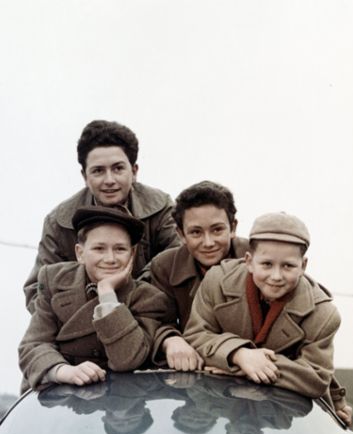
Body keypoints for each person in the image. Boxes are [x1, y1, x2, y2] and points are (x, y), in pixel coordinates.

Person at [183, 211, 351, 421]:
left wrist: (243, 366)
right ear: (249, 261)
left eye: (288, 266)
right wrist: (239, 354)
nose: (276, 276)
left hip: (285, 418)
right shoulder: (217, 281)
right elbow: (195, 335)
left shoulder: (323, 314)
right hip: (219, 405)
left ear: (303, 266)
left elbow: (315, 378)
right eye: (267, 264)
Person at [23, 120, 181, 312]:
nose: (109, 180)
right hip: (79, 323)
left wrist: (130, 304)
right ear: (84, 176)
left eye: (118, 168)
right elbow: (36, 291)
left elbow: (177, 267)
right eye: (98, 171)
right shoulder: (59, 221)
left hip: (145, 316)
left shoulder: (161, 207)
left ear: (134, 171)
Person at [18, 207, 174, 391]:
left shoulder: (148, 297)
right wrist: (62, 371)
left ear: (132, 255)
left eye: (120, 249)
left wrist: (107, 294)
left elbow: (127, 359)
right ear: (80, 253)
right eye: (99, 248)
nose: (110, 258)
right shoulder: (54, 280)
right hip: (59, 397)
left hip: (121, 405)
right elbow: (33, 345)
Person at [142, 180, 249, 372]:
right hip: (193, 372)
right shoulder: (165, 266)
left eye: (217, 230)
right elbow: (155, 319)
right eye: (196, 232)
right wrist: (170, 339)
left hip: (249, 368)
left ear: (233, 228)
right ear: (181, 234)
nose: (208, 242)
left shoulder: (256, 259)